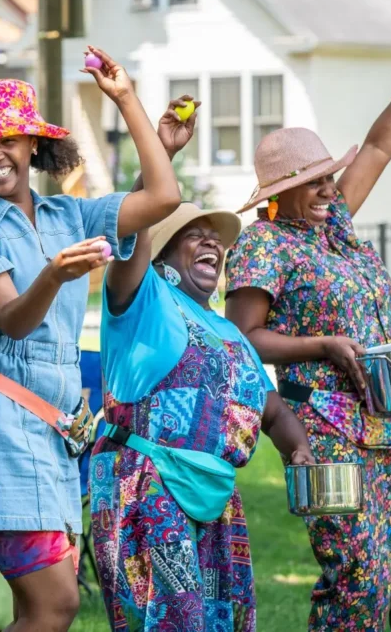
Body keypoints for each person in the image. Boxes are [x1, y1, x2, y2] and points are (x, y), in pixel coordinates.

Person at [224, 20, 391, 631]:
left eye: (329, 175)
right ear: (281, 192)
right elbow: (243, 338)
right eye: (314, 181)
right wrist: (323, 345)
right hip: (324, 426)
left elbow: (380, 145)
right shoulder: (263, 246)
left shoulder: (337, 224)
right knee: (362, 579)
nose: (329, 187)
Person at [0, 48, 181, 632]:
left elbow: (163, 198)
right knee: (57, 604)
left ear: (33, 147)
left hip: (55, 427)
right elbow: (13, 320)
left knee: (35, 605)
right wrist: (54, 274)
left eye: (9, 140)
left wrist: (124, 98)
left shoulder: (67, 214)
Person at [90, 98, 315, 631]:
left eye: (216, 238)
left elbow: (269, 406)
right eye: (195, 235)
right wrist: (162, 154)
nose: (213, 242)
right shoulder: (142, 300)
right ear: (163, 254)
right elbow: (134, 239)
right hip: (148, 482)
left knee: (220, 619)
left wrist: (298, 447)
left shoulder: (229, 332)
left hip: (217, 495)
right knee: (176, 621)